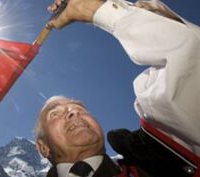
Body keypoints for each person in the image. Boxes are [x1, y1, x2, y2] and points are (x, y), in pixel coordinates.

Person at [35, 0, 200, 176]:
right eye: (55, 114)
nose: (73, 113)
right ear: (43, 147)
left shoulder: (163, 157)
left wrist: (95, 10)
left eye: (80, 109)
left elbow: (190, 59)